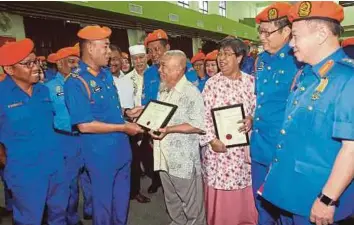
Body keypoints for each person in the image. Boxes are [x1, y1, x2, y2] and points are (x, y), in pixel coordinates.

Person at [260, 2, 354, 225]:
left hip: (315, 198)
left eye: (295, 36)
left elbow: (352, 148)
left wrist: (327, 199)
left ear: (321, 34)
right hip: (288, 191)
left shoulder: (347, 79)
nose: (291, 43)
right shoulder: (306, 75)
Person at [64, 25, 143, 225]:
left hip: (122, 152)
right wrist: (124, 127)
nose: (109, 52)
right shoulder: (76, 82)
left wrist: (126, 113)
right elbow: (84, 125)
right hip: (100, 156)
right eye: (105, 47)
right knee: (103, 207)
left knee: (122, 204)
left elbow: (108, 110)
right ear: (90, 48)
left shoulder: (106, 75)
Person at [0, 38, 69, 224]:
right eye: (28, 63)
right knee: (29, 219)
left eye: (36, 61)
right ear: (9, 69)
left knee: (59, 215)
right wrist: (9, 163)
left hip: (56, 167)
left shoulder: (43, 91)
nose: (36, 67)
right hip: (25, 172)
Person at [251, 2, 301, 224]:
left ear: (286, 31)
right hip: (260, 146)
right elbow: (263, 101)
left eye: (267, 32)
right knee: (261, 205)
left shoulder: (298, 61)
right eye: (260, 31)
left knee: (284, 211)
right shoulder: (260, 61)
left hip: (283, 150)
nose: (262, 37)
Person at [200, 38, 257, 225]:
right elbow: (203, 117)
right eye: (220, 54)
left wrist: (252, 119)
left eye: (227, 54)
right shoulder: (211, 84)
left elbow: (259, 110)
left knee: (244, 193)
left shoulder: (251, 83)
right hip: (219, 152)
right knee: (222, 205)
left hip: (242, 153)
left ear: (240, 57)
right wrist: (210, 140)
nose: (221, 59)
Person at [149, 50, 206, 225]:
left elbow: (198, 125)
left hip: (183, 163)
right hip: (163, 158)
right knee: (172, 203)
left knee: (192, 208)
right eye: (160, 65)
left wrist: (169, 129)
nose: (160, 70)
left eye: (164, 66)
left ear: (179, 69)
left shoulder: (191, 93)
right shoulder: (164, 90)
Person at [44, 46, 84, 225]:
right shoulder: (49, 88)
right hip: (62, 139)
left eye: (77, 61)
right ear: (59, 64)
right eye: (71, 62)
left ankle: (73, 218)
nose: (76, 65)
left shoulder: (80, 83)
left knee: (75, 184)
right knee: (62, 186)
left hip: (82, 138)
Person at [122, 44, 151, 203]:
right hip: (134, 123)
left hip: (154, 121)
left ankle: (156, 181)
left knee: (152, 156)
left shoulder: (155, 74)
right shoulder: (126, 79)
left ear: (147, 57)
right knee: (134, 158)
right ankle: (135, 190)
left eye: (141, 57)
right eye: (135, 59)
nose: (138, 61)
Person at [110, 44, 135, 110]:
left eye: (115, 59)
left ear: (121, 59)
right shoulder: (102, 82)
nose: (111, 62)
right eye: (109, 59)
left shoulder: (130, 79)